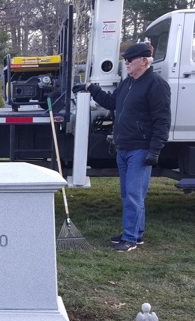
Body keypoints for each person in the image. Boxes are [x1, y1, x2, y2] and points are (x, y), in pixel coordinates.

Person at [73, 43, 171, 252]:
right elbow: (111, 102)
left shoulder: (156, 84)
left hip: (140, 149)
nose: (125, 63)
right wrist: (91, 88)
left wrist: (154, 150)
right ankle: (137, 233)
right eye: (125, 59)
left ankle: (130, 239)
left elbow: (162, 120)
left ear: (144, 61)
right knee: (128, 194)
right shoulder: (128, 83)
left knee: (134, 194)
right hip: (123, 148)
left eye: (130, 59)